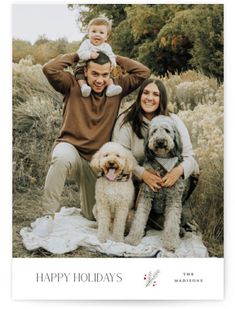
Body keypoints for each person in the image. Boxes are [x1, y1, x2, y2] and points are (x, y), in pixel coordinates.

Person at [42, 50, 150, 221]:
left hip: (96, 160)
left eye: (105, 74)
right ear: (85, 71)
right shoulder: (71, 84)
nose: (100, 80)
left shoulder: (117, 88)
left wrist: (115, 57)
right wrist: (79, 55)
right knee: (61, 158)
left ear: (110, 73)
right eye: (94, 74)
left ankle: (88, 210)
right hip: (71, 148)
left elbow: (143, 72)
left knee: (92, 216)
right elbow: (49, 69)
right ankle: (47, 216)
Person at [112, 78, 199, 229]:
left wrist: (177, 172)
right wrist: (143, 174)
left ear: (162, 99)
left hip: (167, 178)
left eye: (155, 94)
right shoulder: (126, 122)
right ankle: (143, 214)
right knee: (128, 225)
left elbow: (189, 156)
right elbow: (119, 157)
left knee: (194, 170)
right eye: (145, 93)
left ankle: (168, 211)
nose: (150, 98)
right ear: (139, 96)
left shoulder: (173, 121)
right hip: (133, 179)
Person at [74, 17, 122, 98]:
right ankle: (84, 87)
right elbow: (80, 54)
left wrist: (113, 63)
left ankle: (110, 87)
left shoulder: (106, 47)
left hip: (102, 68)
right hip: (83, 66)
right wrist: (89, 55)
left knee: (109, 75)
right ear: (88, 34)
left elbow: (111, 55)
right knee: (79, 75)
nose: (97, 34)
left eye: (101, 32)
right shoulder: (86, 43)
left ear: (106, 37)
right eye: (93, 31)